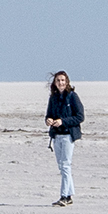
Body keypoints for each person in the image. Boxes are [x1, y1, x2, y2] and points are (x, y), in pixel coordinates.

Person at [45, 71, 84, 206]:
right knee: (61, 166)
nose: (60, 83)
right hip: (57, 136)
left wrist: (63, 121)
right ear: (55, 83)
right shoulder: (53, 98)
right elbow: (49, 114)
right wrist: (49, 120)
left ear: (67, 82)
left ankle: (64, 196)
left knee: (66, 165)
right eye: (58, 80)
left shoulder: (72, 96)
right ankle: (69, 195)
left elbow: (80, 116)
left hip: (68, 135)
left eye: (63, 80)